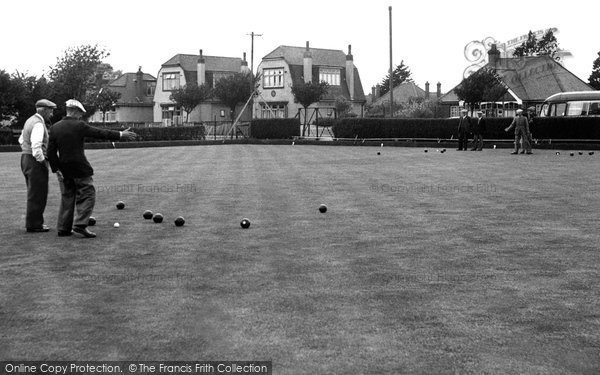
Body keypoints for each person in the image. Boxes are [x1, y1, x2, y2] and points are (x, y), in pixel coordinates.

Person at [47, 99, 137, 238]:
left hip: (63, 169)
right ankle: (80, 225)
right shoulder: (79, 125)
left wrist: (56, 169)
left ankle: (63, 229)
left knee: (67, 197)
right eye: (81, 113)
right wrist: (120, 135)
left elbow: (51, 153)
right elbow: (100, 133)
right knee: (88, 195)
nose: (81, 116)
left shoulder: (55, 128)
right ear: (76, 112)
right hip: (80, 168)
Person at [19, 99, 56, 232]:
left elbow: (21, 139)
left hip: (25, 158)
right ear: (44, 110)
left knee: (33, 192)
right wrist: (42, 161)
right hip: (35, 161)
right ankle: (34, 225)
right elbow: (36, 146)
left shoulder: (29, 120)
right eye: (50, 111)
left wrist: (26, 150)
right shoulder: (39, 124)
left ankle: (34, 223)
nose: (51, 114)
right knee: (38, 193)